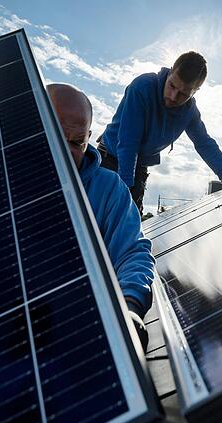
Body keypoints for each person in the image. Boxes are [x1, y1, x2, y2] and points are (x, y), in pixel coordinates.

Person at [46, 83, 153, 351]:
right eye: (57, 136)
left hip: (76, 336)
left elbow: (132, 252)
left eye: (76, 142)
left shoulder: (109, 190)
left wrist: (129, 307)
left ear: (89, 137)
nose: (67, 151)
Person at [98, 51, 222, 214]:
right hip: (110, 158)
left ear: (195, 91)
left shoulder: (190, 112)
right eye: (172, 85)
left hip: (139, 166)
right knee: (105, 217)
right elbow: (128, 142)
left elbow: (204, 144)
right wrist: (125, 192)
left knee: (129, 227)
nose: (173, 97)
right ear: (170, 71)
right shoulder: (143, 87)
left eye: (183, 94)